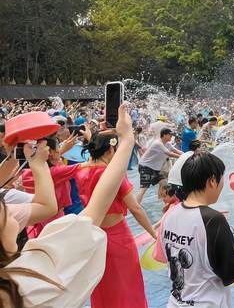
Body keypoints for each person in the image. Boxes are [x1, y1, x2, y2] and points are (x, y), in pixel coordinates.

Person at [1, 104, 136, 307]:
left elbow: (47, 205)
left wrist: (19, 159)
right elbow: (96, 207)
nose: (12, 214)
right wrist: (127, 141)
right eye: (4, 211)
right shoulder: (33, 281)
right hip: (62, 225)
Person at [157, 152, 234, 307]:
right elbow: (233, 272)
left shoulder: (169, 214)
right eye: (222, 178)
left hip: (175, 302)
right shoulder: (213, 219)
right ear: (212, 181)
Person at [76, 131, 157, 308]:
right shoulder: (112, 176)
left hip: (96, 238)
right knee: (128, 288)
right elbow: (135, 208)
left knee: (103, 288)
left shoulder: (81, 171)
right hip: (119, 238)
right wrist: (153, 234)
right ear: (110, 151)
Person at [137, 128, 182, 204]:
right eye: (170, 135)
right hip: (145, 167)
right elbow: (169, 153)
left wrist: (187, 154)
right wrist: (181, 157)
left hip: (155, 169)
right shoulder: (158, 143)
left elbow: (177, 151)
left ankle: (162, 201)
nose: (171, 136)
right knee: (144, 188)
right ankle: (135, 206)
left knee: (164, 183)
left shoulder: (168, 144)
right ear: (164, 135)